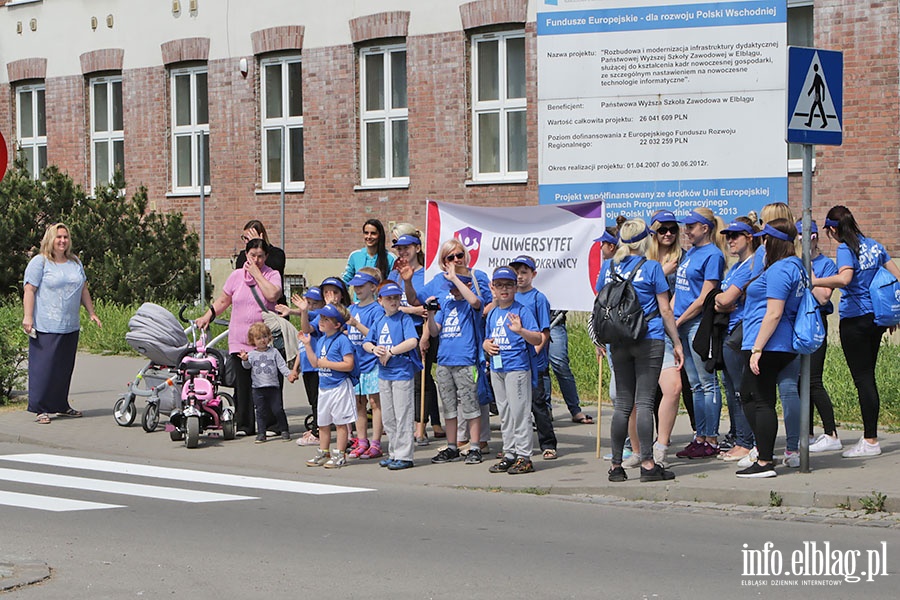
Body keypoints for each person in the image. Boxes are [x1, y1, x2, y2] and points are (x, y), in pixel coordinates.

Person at [597, 219, 683, 483]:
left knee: (623, 404)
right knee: (644, 402)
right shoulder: (653, 268)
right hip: (649, 337)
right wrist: (677, 343)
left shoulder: (608, 267)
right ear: (646, 240)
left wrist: (599, 338)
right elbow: (666, 309)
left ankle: (615, 466)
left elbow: (600, 303)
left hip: (618, 341)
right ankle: (648, 463)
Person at [814, 205, 900, 458]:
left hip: (855, 320)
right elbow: (896, 276)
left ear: (832, 229)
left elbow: (844, 279)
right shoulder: (874, 245)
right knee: (868, 378)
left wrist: (813, 281)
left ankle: (871, 440)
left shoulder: (844, 248)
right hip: (876, 319)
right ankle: (870, 437)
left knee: (863, 380)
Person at [737, 219, 805, 478]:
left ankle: (764, 460)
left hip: (769, 343)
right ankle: (764, 449)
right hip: (779, 343)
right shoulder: (794, 266)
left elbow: (774, 313)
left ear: (773, 241)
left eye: (765, 238)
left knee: (761, 400)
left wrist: (757, 348)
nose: (761, 242)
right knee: (748, 394)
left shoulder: (780, 269)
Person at [195, 238, 283, 437]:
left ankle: (271, 425)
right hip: (239, 339)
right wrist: (208, 315)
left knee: (266, 382)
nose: (257, 259)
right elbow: (224, 300)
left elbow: (272, 295)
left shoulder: (272, 275)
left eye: (261, 256)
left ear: (266, 257)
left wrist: (257, 274)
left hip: (262, 342)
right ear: (246, 255)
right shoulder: (236, 276)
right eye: (253, 255)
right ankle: (245, 425)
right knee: (242, 385)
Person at [23, 223, 102, 424]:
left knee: (63, 368)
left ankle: (60, 405)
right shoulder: (40, 262)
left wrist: (91, 312)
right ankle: (40, 408)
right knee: (44, 368)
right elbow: (29, 290)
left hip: (70, 325)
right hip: (45, 325)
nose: (62, 241)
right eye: (58, 237)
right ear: (50, 239)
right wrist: (28, 317)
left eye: (65, 237)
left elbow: (83, 289)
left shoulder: (75, 262)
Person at [673, 208, 726, 459]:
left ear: (705, 228)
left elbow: (705, 296)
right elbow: (680, 291)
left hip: (697, 325)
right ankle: (700, 436)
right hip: (681, 324)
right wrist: (670, 318)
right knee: (694, 385)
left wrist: (681, 319)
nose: (687, 231)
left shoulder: (713, 255)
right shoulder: (691, 252)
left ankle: (712, 438)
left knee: (707, 383)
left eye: (692, 227)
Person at [484, 266, 544, 475]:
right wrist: (486, 346)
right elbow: (488, 337)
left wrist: (521, 331)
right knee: (505, 412)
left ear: (515, 288)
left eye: (509, 285)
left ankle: (524, 455)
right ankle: (509, 453)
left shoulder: (521, 310)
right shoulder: (492, 313)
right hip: (498, 367)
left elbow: (538, 338)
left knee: (520, 412)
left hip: (517, 367)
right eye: (499, 285)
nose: (504, 290)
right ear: (493, 287)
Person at [426, 266, 485, 465]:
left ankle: (475, 446)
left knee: (470, 405)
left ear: (466, 285)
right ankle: (452, 446)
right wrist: (431, 315)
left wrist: (459, 280)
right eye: (450, 287)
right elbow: (435, 332)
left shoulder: (470, 304)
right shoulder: (448, 305)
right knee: (449, 408)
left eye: (456, 287)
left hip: (465, 361)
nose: (452, 291)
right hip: (445, 361)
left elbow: (476, 302)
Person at [390, 232, 444, 445]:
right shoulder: (396, 275)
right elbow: (392, 302)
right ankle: (430, 423)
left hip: (422, 330)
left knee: (422, 378)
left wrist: (424, 334)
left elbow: (429, 307)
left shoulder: (428, 275)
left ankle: (420, 426)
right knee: (410, 379)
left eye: (407, 248)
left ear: (418, 248)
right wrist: (409, 308)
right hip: (400, 332)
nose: (403, 252)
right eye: (399, 249)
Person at [363, 281, 421, 470]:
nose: (393, 302)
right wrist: (374, 349)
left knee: (403, 413)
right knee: (388, 415)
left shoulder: (404, 319)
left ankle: (405, 455)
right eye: (389, 298)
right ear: (380, 301)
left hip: (401, 372)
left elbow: (412, 341)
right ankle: (394, 452)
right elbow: (367, 342)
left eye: (396, 298)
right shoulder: (379, 320)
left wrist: (392, 352)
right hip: (384, 373)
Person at [714, 218, 759, 462]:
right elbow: (719, 300)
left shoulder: (753, 265)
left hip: (741, 332)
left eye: (736, 235)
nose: (730, 240)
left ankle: (746, 441)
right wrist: (721, 301)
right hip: (729, 331)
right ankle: (740, 437)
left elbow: (724, 299)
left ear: (749, 237)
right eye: (728, 236)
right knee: (730, 389)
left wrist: (722, 301)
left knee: (741, 390)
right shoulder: (735, 268)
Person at [798, 220, 842, 453]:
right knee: (798, 381)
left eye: (809, 235)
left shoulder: (825, 264)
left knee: (813, 379)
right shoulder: (792, 262)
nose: (805, 240)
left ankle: (831, 432)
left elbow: (823, 297)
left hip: (815, 322)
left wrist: (807, 268)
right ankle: (808, 432)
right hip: (796, 323)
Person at [645, 211, 686, 465]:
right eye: (663, 230)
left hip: (673, 327)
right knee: (644, 393)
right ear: (653, 233)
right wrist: (661, 271)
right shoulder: (646, 260)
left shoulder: (682, 259)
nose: (668, 234)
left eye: (672, 229)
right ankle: (639, 445)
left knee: (676, 387)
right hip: (647, 330)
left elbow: (681, 293)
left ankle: (662, 444)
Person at [509, 255, 558, 461]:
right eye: (517, 273)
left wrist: (535, 350)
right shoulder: (509, 298)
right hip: (513, 361)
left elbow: (545, 332)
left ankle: (548, 443)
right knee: (516, 406)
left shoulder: (539, 298)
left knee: (538, 404)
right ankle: (516, 445)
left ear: (533, 274)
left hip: (534, 362)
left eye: (524, 272)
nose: (520, 277)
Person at [301, 303, 357, 469]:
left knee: (340, 423)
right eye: (321, 318)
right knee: (323, 423)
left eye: (326, 319)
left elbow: (349, 365)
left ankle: (340, 453)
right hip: (324, 386)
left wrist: (328, 363)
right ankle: (323, 451)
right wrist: (307, 345)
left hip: (339, 386)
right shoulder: (322, 340)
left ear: (338, 324)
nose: (321, 321)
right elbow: (315, 363)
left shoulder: (342, 341)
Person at [345, 268, 386, 459]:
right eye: (355, 286)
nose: (357, 289)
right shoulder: (352, 309)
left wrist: (356, 325)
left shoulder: (377, 310)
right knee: (358, 403)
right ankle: (362, 441)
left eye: (361, 286)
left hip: (371, 362)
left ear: (372, 287)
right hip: (355, 364)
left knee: (374, 402)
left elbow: (375, 334)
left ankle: (376, 442)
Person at [240, 322, 297, 443]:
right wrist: (244, 360)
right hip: (258, 388)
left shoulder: (274, 352)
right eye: (258, 338)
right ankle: (261, 433)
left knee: (277, 409)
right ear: (252, 340)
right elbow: (246, 367)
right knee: (260, 411)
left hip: (273, 387)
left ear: (269, 337)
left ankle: (284, 429)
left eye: (265, 336)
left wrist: (289, 375)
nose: (262, 340)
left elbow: (281, 366)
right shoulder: (252, 355)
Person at [284, 286, 326, 446]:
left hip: (317, 367)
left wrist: (301, 311)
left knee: (318, 402)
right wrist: (295, 369)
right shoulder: (307, 318)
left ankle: (318, 432)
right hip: (307, 368)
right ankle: (316, 428)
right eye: (308, 302)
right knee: (313, 401)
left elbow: (308, 326)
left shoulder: (319, 320)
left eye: (315, 303)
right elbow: (301, 351)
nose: (311, 306)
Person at [235, 220, 286, 305]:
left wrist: (259, 245)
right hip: (250, 303)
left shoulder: (277, 254)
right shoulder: (243, 256)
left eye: (248, 238)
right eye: (244, 238)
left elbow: (273, 266)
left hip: (275, 307)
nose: (246, 242)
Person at [343, 218, 395, 283]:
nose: (369, 236)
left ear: (380, 235)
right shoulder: (355, 256)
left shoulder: (390, 258)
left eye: (373, 233)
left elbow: (393, 283)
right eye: (366, 233)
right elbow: (345, 280)